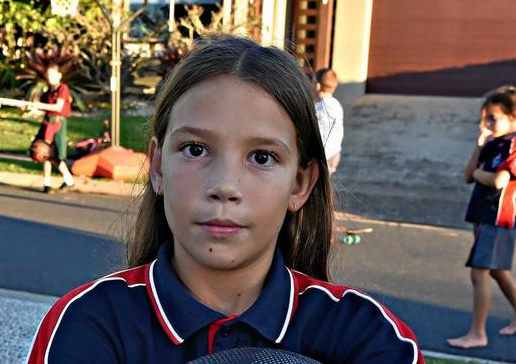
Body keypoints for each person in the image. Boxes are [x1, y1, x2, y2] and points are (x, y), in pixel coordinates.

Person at [26, 35, 423, 364]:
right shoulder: (89, 324)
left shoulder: (366, 335)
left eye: (262, 157)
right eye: (196, 149)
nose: (225, 185)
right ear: (158, 168)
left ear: (300, 184)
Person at [448, 88, 516, 349]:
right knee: (498, 271)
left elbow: (500, 180)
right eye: (484, 118)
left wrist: (479, 174)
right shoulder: (492, 143)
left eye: (492, 118)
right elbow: (468, 175)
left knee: (480, 274)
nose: (487, 124)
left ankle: (478, 334)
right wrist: (479, 146)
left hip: (498, 219)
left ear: (512, 117)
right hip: (483, 216)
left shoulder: (512, 144)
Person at [29, 63, 76, 193]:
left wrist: (40, 105)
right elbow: (40, 106)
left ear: (59, 75)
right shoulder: (48, 91)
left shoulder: (63, 89)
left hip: (58, 124)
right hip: (47, 123)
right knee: (44, 152)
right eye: (48, 75)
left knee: (57, 155)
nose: (50, 78)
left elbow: (57, 107)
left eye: (53, 75)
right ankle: (47, 183)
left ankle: (69, 180)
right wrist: (34, 102)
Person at [314, 68, 344, 174]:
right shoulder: (337, 105)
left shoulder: (319, 108)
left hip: (320, 157)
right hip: (334, 154)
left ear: (317, 85)